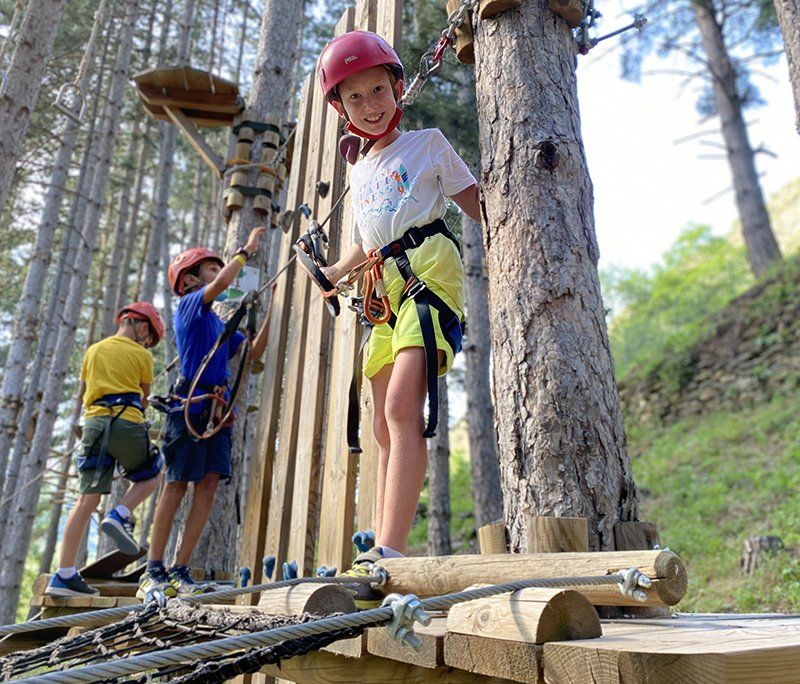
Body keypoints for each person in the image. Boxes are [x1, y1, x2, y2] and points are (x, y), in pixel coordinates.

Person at [315, 31, 482, 603]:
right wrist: (330, 275)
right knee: (383, 426)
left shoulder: (429, 144)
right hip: (382, 284)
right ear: (342, 109)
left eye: (378, 90)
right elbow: (368, 245)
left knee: (400, 405)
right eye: (355, 98)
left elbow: (477, 204)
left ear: (397, 88)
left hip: (429, 268)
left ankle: (388, 552)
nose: (370, 104)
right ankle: (381, 552)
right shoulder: (359, 173)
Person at [137, 228, 271, 599]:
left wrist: (271, 306)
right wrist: (246, 251)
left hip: (216, 410)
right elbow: (227, 280)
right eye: (214, 269)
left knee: (208, 485)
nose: (222, 272)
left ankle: (181, 567)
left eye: (219, 268)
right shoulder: (190, 306)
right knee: (177, 484)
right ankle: (154, 567)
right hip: (190, 406)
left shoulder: (216, 323)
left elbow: (253, 352)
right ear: (191, 280)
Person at [45, 303, 165, 597]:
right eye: (147, 335)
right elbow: (144, 396)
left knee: (86, 500)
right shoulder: (141, 355)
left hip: (95, 423)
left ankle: (64, 576)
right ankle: (120, 512)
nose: (146, 342)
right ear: (138, 324)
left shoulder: (94, 350)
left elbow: (88, 387)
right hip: (126, 421)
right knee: (152, 472)